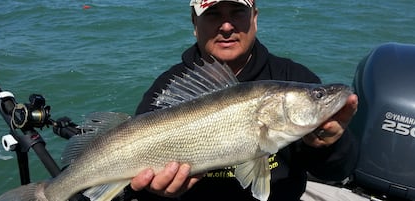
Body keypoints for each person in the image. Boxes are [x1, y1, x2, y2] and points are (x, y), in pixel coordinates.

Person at [124, 0, 359, 200]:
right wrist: (156, 193)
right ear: (195, 24)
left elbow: (338, 172)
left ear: (254, 18)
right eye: (213, 14)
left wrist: (328, 145)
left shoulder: (293, 77)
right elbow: (135, 182)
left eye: (237, 12)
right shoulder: (166, 89)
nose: (226, 26)